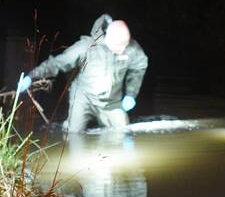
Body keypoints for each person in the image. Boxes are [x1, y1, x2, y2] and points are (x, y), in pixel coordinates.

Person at [17, 14, 148, 133]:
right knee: (73, 133)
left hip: (111, 102)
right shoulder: (86, 47)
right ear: (109, 36)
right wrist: (32, 76)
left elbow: (140, 65)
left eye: (125, 45)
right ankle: (68, 124)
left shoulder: (131, 48)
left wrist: (131, 93)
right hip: (83, 98)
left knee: (123, 131)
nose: (123, 49)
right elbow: (57, 63)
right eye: (119, 45)